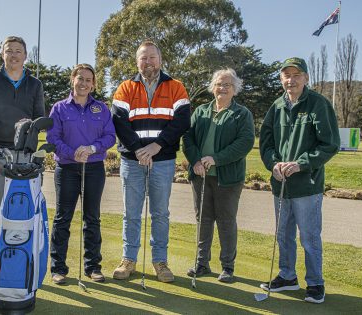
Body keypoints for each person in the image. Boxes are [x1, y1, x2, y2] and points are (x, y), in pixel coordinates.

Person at [259, 57, 340, 304]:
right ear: (281, 79)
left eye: (296, 75)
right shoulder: (277, 106)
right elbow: (266, 143)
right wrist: (273, 163)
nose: (291, 80)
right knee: (283, 234)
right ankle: (287, 276)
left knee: (309, 237)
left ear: (306, 78)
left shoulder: (318, 104)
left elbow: (330, 144)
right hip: (280, 184)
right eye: (286, 75)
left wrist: (300, 163)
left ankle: (315, 283)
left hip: (307, 185)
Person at [111, 40, 190, 283]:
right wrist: (138, 150)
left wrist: (156, 146)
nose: (148, 62)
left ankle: (160, 262)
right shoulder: (125, 88)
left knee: (160, 214)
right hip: (132, 161)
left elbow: (182, 121)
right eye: (143, 58)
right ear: (137, 62)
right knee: (131, 214)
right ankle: (128, 260)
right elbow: (119, 122)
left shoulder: (176, 87)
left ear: (160, 60)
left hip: (163, 160)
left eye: (152, 57)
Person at [0, 36, 45, 294]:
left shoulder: (35, 84)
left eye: (18, 51)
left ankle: (22, 265)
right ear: (2, 55)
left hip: (23, 157)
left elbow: (37, 121)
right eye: (9, 51)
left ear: (26, 56)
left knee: (22, 214)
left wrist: (29, 149)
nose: (14, 55)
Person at [182, 68, 254, 283]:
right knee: (203, 220)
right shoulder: (201, 111)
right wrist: (196, 161)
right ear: (213, 87)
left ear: (235, 89)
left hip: (228, 178)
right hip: (200, 176)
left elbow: (244, 143)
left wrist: (215, 159)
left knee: (226, 221)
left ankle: (227, 267)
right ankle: (201, 263)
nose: (222, 88)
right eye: (219, 84)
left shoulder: (242, 114)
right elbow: (188, 138)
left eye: (227, 85)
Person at [46, 64, 116, 284]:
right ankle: (58, 268)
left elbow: (110, 136)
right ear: (72, 80)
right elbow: (52, 139)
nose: (84, 83)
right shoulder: (59, 108)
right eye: (80, 79)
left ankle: (93, 267)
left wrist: (92, 149)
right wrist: (72, 154)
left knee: (92, 218)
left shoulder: (102, 109)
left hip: (94, 168)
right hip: (67, 168)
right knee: (62, 218)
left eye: (88, 80)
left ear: (93, 84)